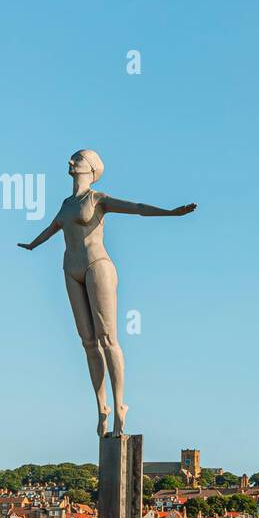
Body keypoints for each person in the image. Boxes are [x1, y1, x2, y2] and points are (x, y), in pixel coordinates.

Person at [19, 149, 196, 436]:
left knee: (107, 338)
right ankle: (102, 408)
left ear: (90, 167)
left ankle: (120, 405)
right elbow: (51, 229)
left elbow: (137, 207)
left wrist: (170, 213)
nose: (70, 162)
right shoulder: (66, 204)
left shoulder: (96, 198)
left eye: (76, 159)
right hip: (70, 269)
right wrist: (31, 245)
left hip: (97, 266)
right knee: (88, 342)